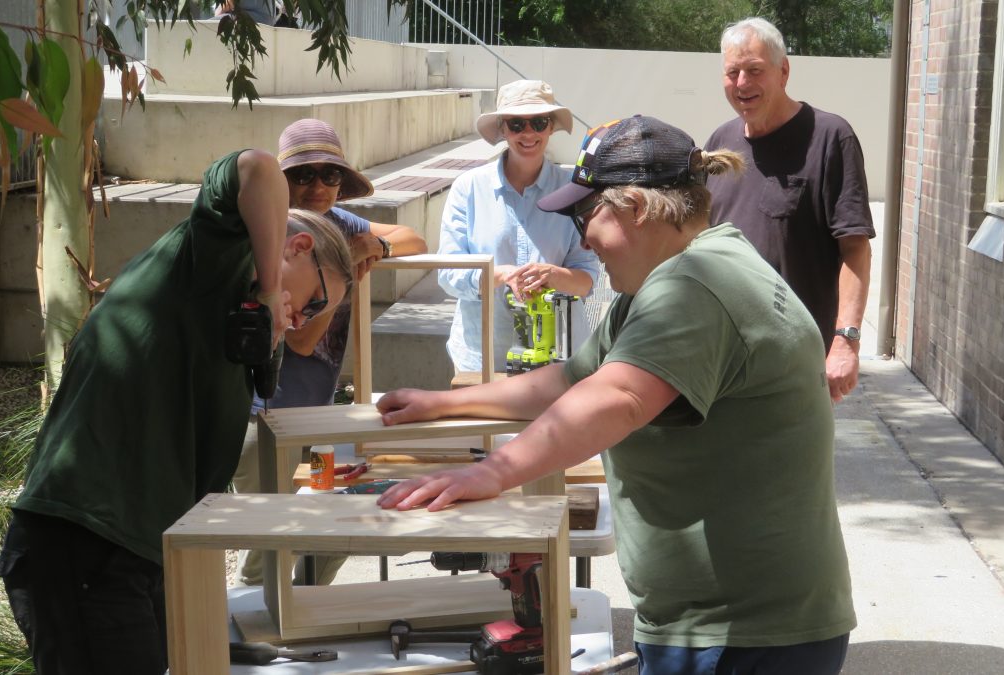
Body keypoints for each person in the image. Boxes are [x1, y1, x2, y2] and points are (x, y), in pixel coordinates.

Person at [375, 116, 856, 675]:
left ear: (637, 208)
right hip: (733, 625)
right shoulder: (680, 273)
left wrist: (490, 472)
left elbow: (617, 397)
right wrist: (443, 403)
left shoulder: (693, 286)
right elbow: (572, 379)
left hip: (744, 635)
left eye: (586, 214)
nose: (581, 238)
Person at [0, 149, 354, 675]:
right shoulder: (213, 259)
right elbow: (257, 168)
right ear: (297, 247)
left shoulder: (239, 319)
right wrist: (274, 290)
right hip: (85, 541)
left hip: (136, 552)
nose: (302, 321)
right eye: (315, 302)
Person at [231, 118, 427, 587]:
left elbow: (415, 239)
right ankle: (257, 638)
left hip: (316, 419)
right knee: (269, 545)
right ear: (283, 183)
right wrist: (337, 285)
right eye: (303, 175)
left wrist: (373, 244)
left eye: (330, 175)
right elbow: (300, 338)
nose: (318, 186)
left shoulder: (339, 225)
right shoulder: (276, 233)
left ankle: (308, 610)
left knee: (337, 526)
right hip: (266, 423)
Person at [703, 17, 875, 403]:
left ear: (783, 71)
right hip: (723, 355)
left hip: (794, 361)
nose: (742, 83)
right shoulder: (720, 142)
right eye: (733, 72)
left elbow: (855, 249)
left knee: (786, 463)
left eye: (754, 70)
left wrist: (845, 340)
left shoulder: (830, 138)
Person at [438, 79, 601, 375]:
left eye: (539, 122)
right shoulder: (468, 188)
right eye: (516, 124)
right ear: (502, 129)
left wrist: (552, 274)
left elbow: (588, 279)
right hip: (484, 355)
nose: (528, 133)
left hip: (559, 359)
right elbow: (448, 275)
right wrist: (499, 275)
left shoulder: (574, 190)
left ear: (551, 127)